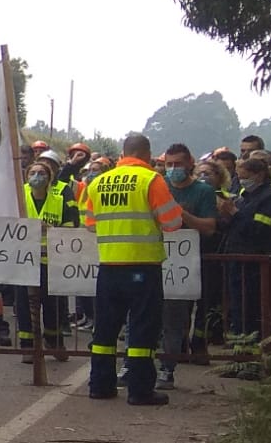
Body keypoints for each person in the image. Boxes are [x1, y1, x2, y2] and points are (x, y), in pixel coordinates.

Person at [80, 134, 183, 406]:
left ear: (123, 153)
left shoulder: (98, 181)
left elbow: (89, 223)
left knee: (104, 331)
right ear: (147, 154)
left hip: (108, 266)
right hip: (143, 266)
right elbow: (173, 222)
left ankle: (100, 386)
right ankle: (139, 390)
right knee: (141, 330)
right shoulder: (151, 180)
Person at [156, 144, 218, 387]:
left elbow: (210, 227)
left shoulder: (203, 192)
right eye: (169, 165)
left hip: (184, 264)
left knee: (175, 318)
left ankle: (167, 370)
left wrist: (181, 214)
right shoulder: (160, 186)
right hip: (157, 258)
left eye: (178, 164)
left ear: (190, 164)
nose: (173, 169)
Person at [218, 153, 271, 337]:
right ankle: (240, 342)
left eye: (245, 177)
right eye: (239, 178)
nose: (242, 182)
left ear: (258, 175)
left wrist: (234, 213)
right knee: (237, 306)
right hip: (236, 260)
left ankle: (253, 345)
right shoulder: (246, 196)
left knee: (253, 307)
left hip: (257, 263)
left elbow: (261, 230)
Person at [17, 156, 74, 358]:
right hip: (24, 260)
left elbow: (70, 226)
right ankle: (28, 347)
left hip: (50, 261)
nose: (37, 177)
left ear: (49, 178)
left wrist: (52, 230)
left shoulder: (58, 201)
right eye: (32, 173)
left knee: (53, 305)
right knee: (25, 305)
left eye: (41, 173)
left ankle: (54, 342)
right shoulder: (19, 195)